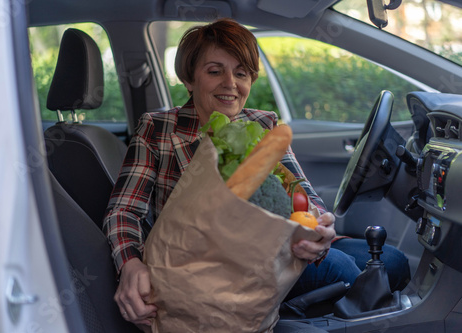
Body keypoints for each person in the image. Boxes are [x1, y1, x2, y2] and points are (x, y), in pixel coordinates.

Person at [103, 18, 409, 329]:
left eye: (241, 73)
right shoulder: (158, 128)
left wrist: (319, 226)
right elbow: (123, 210)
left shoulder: (264, 124)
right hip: (210, 265)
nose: (230, 83)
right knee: (345, 271)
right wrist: (130, 263)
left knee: (393, 262)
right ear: (189, 79)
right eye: (214, 71)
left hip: (279, 249)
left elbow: (303, 194)